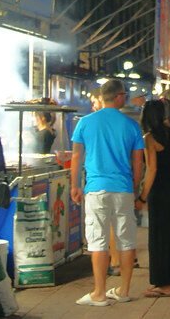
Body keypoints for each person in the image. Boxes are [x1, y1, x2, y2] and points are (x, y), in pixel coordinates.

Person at [70, 79, 144, 306]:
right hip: (123, 189)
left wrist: (75, 185)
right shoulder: (132, 126)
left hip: (96, 189)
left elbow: (76, 157)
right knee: (126, 240)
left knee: (98, 241)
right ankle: (124, 290)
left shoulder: (85, 123)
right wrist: (134, 188)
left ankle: (99, 293)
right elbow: (138, 164)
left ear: (102, 97)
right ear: (119, 97)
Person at [138, 100, 170, 297]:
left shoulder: (149, 138)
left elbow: (152, 169)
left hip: (159, 191)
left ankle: (163, 285)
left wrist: (142, 196)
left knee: (158, 236)